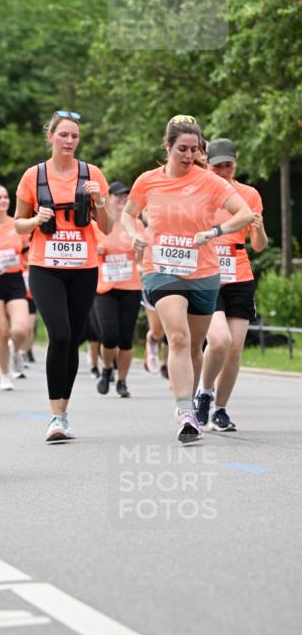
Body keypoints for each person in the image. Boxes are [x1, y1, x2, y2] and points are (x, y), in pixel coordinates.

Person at [121, 115, 254, 444]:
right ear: (167, 147)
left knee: (195, 345)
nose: (188, 155)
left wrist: (214, 232)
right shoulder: (148, 180)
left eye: (195, 149)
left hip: (204, 272)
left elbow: (245, 214)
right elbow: (128, 213)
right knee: (178, 337)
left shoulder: (210, 181)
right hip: (161, 268)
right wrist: (133, 235)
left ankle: (194, 400)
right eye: (182, 148)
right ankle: (184, 412)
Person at [15, 109, 111, 443]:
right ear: (50, 137)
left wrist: (99, 200)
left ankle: (63, 412)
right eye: (63, 135)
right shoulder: (33, 176)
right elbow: (18, 224)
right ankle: (54, 417)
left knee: (71, 337)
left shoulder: (92, 173)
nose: (69, 141)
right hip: (45, 266)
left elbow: (108, 226)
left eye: (74, 136)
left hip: (83, 268)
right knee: (58, 334)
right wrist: (36, 219)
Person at [195, 139, 268, 430]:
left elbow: (259, 246)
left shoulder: (248, 194)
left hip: (239, 273)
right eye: (218, 166)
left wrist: (260, 228)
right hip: (207, 274)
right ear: (208, 165)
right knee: (219, 340)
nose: (225, 170)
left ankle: (221, 410)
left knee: (235, 347)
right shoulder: (199, 192)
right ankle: (203, 393)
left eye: (230, 165)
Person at [93, 181, 145, 398]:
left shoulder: (136, 224)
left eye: (126, 197)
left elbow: (141, 259)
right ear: (109, 198)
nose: (123, 200)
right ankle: (106, 369)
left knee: (125, 338)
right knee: (109, 335)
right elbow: (87, 254)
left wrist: (139, 250)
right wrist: (97, 251)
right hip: (105, 287)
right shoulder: (98, 224)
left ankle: (122, 381)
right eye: (118, 197)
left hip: (131, 286)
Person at [0, 184, 29, 390]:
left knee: (20, 329)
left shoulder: (17, 224)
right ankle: (5, 374)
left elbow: (27, 251)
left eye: (5, 197)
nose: (3, 200)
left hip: (14, 279)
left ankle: (16, 351)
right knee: (1, 332)